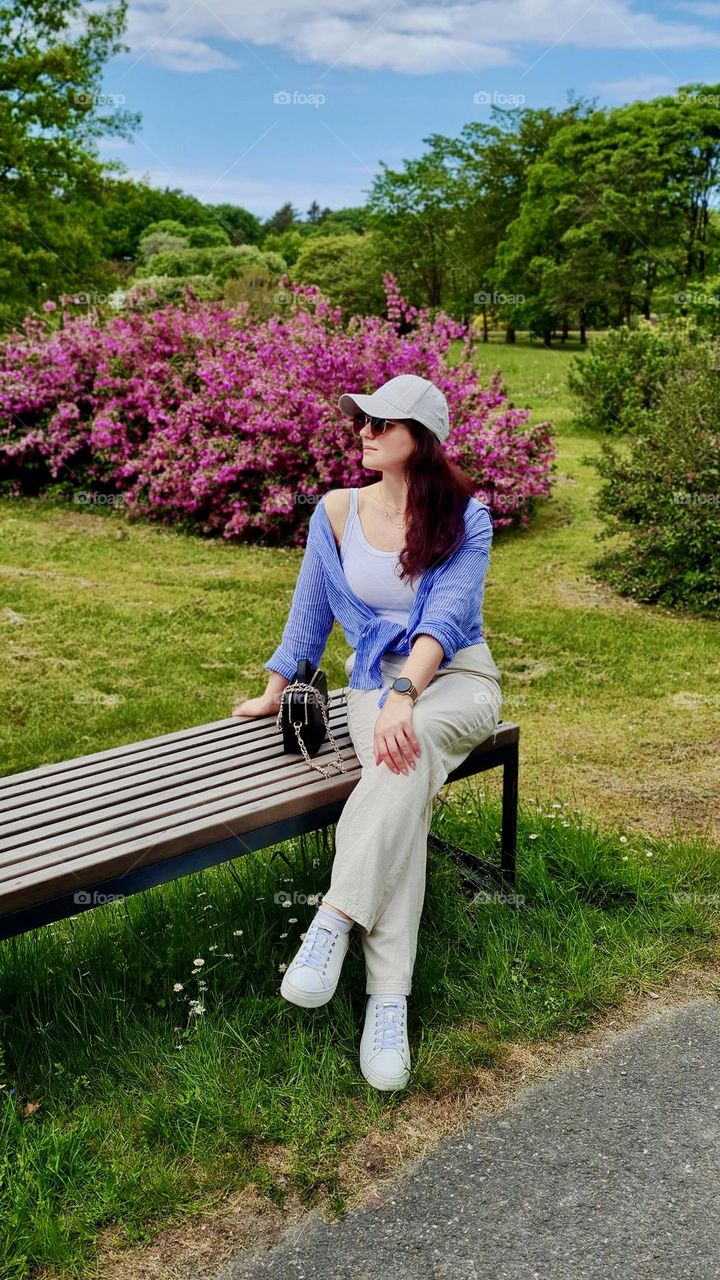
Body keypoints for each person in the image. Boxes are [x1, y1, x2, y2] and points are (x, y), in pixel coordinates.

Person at [232, 374, 503, 1092]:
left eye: (384, 422)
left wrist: (405, 694)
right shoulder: (337, 511)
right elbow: (311, 608)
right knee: (402, 778)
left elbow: (447, 618)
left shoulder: (465, 518)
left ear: (422, 438)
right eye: (362, 419)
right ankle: (389, 1003)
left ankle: (333, 919)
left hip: (456, 681)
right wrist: (276, 688)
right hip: (373, 687)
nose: (364, 430)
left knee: (400, 753)